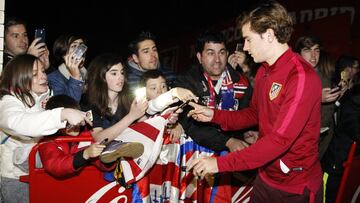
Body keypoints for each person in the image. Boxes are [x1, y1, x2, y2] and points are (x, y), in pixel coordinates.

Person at [187, 1, 323, 202]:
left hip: (294, 188)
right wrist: (213, 115)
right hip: (265, 177)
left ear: (269, 35)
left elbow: (279, 141)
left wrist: (218, 164)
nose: (246, 47)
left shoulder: (301, 77)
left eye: (248, 39)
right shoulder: (263, 71)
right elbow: (253, 114)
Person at [0, 54, 91, 203]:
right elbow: (17, 123)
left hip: (44, 172)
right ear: (20, 77)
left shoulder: (44, 96)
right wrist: (61, 114)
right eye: (35, 74)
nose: (43, 77)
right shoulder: (8, 101)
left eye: (43, 71)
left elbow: (70, 102)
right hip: (17, 179)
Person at [176, 31, 252, 152]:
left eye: (221, 53)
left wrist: (251, 131)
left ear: (227, 54)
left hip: (236, 152)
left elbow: (249, 114)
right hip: (197, 152)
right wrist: (227, 142)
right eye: (210, 53)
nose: (217, 59)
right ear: (200, 57)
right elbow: (190, 124)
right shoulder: (187, 83)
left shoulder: (241, 82)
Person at [38, 95, 114, 179]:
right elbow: (55, 165)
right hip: (57, 189)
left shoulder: (86, 135)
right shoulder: (48, 141)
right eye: (69, 120)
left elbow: (99, 162)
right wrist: (85, 154)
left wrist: (109, 158)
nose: (75, 123)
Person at [295, 36, 342, 159]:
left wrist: (338, 94)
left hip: (321, 135)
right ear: (298, 53)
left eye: (316, 50)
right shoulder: (292, 75)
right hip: (298, 136)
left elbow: (327, 109)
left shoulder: (322, 75)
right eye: (307, 50)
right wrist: (317, 98)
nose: (313, 55)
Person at [322, 72, 360, 203]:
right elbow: (356, 131)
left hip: (349, 164)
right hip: (336, 164)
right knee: (326, 198)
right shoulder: (353, 101)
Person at [140, 69, 197, 143]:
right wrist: (174, 93)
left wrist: (179, 126)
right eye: (153, 88)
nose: (159, 91)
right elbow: (154, 105)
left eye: (163, 86)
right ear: (144, 93)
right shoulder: (143, 111)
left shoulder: (175, 107)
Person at [47, 34, 88, 102]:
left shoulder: (89, 77)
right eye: (74, 46)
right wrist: (75, 78)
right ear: (63, 54)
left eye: (81, 46)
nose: (80, 51)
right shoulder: (53, 79)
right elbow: (68, 107)